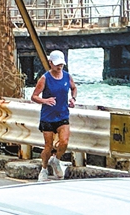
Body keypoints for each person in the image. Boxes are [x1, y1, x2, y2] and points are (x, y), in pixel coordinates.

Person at [31, 50, 76, 180]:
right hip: (48, 117)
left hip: (62, 115)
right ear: (50, 63)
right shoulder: (45, 78)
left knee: (64, 142)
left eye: (61, 64)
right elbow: (34, 96)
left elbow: (74, 88)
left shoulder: (67, 76)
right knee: (48, 146)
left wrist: (73, 99)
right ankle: (44, 168)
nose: (59, 66)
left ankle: (56, 160)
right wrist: (45, 100)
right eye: (57, 64)